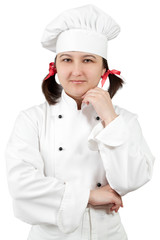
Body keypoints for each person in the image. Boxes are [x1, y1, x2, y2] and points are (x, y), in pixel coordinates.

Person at [5, 4, 155, 240]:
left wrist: (109, 119)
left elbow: (131, 180)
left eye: (87, 60)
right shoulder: (31, 119)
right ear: (55, 67)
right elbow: (21, 187)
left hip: (109, 235)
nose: (76, 71)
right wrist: (89, 196)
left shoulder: (123, 119)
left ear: (104, 68)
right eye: (67, 60)